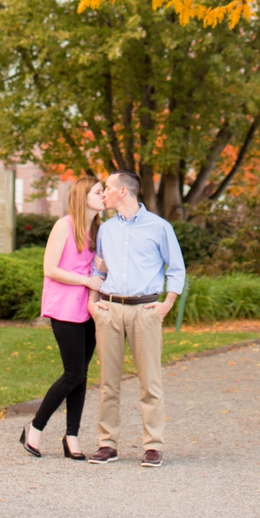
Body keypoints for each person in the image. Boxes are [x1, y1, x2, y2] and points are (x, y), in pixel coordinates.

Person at [87, 171, 184, 467]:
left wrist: (166, 304)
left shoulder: (159, 227)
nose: (103, 194)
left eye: (107, 188)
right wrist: (93, 304)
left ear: (124, 192)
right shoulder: (106, 230)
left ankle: (153, 446)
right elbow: (99, 269)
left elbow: (176, 268)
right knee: (108, 383)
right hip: (110, 310)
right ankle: (107, 444)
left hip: (145, 312)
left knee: (150, 382)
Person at [20, 178, 107, 459]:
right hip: (64, 308)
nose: (104, 195)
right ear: (83, 196)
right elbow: (50, 269)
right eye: (98, 191)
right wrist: (88, 281)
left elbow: (100, 270)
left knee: (81, 375)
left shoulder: (99, 230)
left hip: (90, 309)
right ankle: (34, 428)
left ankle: (71, 437)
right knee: (73, 373)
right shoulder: (64, 225)